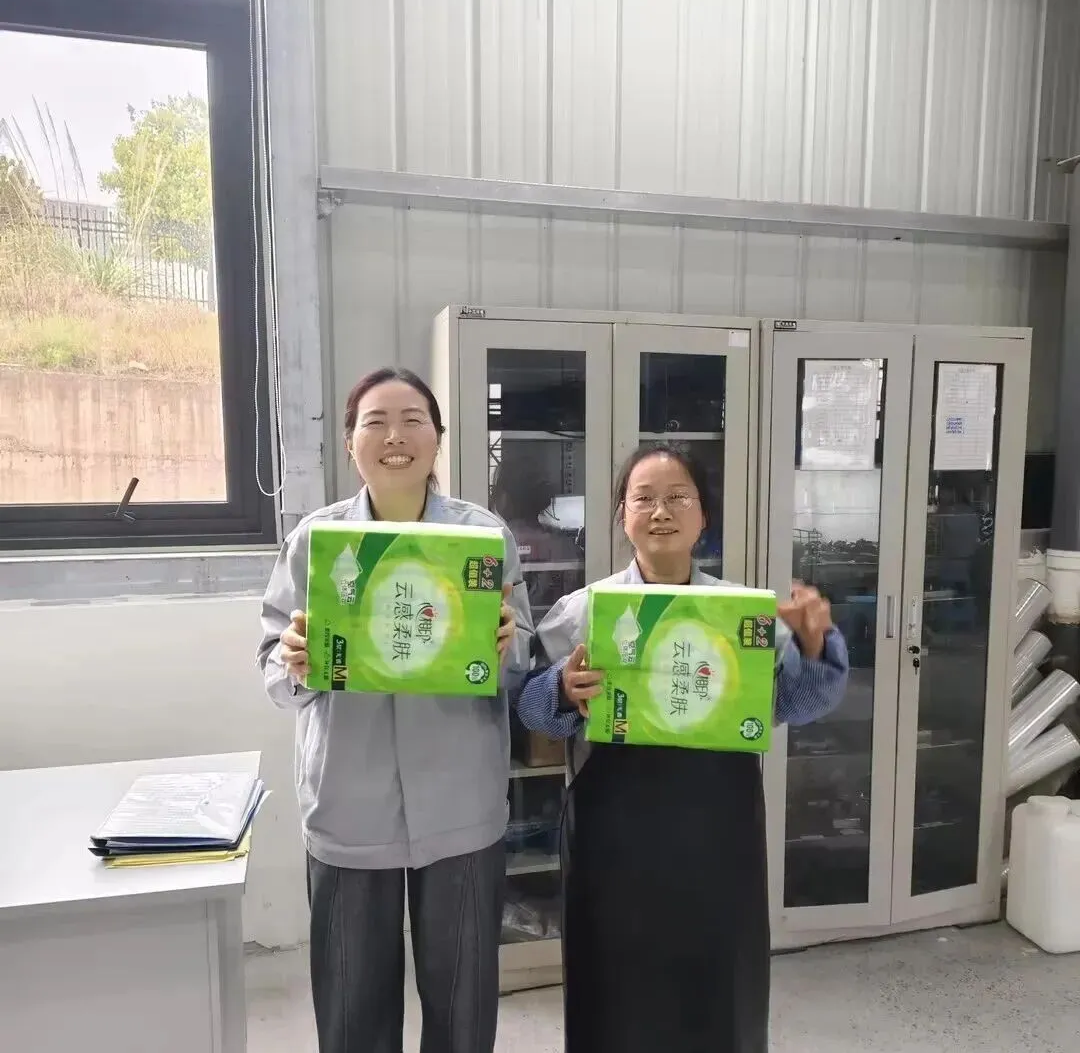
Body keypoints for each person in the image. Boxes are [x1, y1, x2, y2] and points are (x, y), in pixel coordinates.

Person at [515, 445, 849, 1053]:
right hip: (613, 838)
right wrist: (562, 689)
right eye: (643, 498)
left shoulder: (743, 615)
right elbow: (534, 712)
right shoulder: (583, 612)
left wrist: (814, 647)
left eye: (678, 497)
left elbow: (794, 705)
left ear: (703, 516)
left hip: (717, 835)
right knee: (614, 991)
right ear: (622, 516)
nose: (660, 511)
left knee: (717, 989)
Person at [257, 367, 533, 1053]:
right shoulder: (317, 543)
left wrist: (506, 646)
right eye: (374, 422)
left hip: (460, 808)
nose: (394, 436)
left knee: (463, 1009)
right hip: (348, 807)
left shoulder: (483, 539)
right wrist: (293, 660)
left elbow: (520, 664)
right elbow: (274, 669)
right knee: (353, 1011)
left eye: (413, 420)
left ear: (438, 436)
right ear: (350, 440)